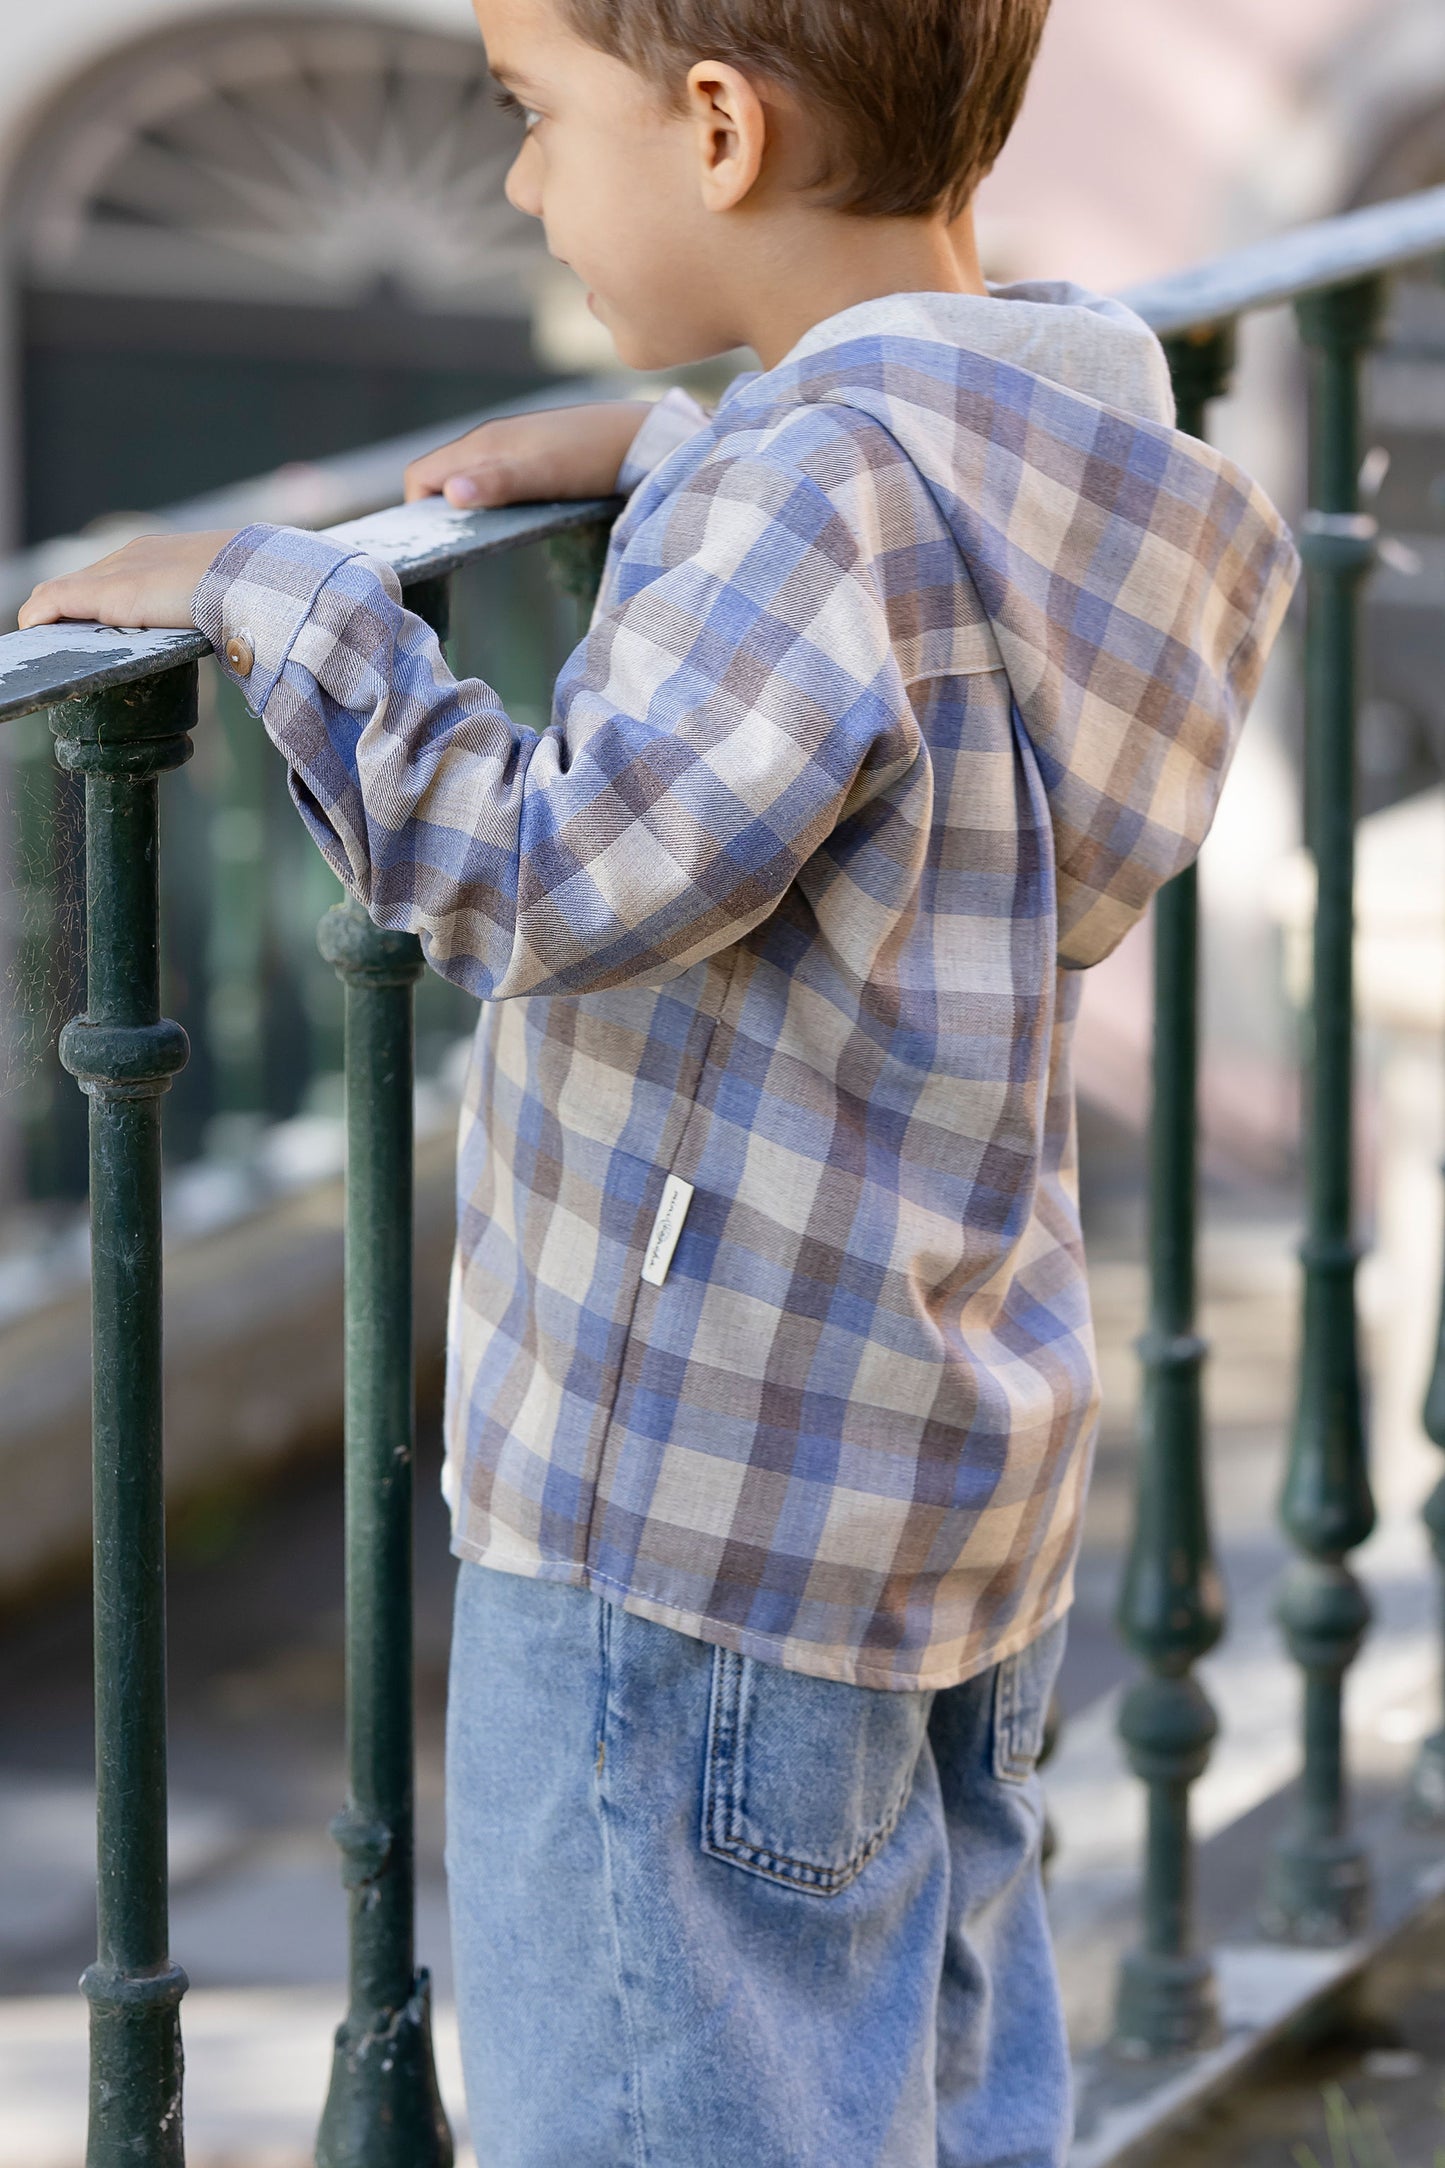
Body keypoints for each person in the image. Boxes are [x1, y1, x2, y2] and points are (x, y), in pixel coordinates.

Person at [21, 0, 1299, 2157]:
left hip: (688, 1538)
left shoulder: (824, 506)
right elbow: (900, 650)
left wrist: (281, 603)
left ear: (717, 129)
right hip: (936, 1488)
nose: (519, 182)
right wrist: (690, 445)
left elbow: (543, 869)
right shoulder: (1060, 457)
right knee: (924, 2088)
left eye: (532, 118)